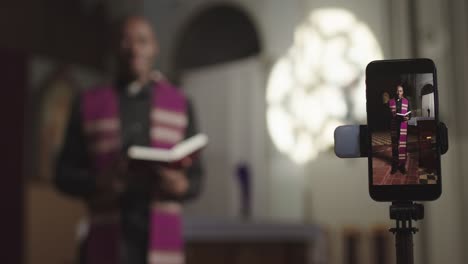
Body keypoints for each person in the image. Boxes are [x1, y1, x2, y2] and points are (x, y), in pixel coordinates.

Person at [55, 16, 203, 264]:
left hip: (159, 233)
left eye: (142, 41)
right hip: (108, 233)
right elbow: (63, 174)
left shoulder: (181, 104)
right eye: (126, 42)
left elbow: (198, 177)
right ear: (114, 48)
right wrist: (98, 182)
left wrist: (182, 185)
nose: (134, 49)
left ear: (155, 46)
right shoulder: (88, 103)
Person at [389, 84, 411, 174]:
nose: (399, 92)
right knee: (394, 146)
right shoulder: (390, 102)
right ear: (396, 91)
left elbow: (410, 114)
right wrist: (392, 116)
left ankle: (402, 165)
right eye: (398, 90)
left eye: (401, 91)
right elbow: (386, 115)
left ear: (403, 92)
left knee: (403, 146)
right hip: (394, 126)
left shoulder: (406, 101)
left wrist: (408, 117)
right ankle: (394, 165)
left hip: (403, 125)